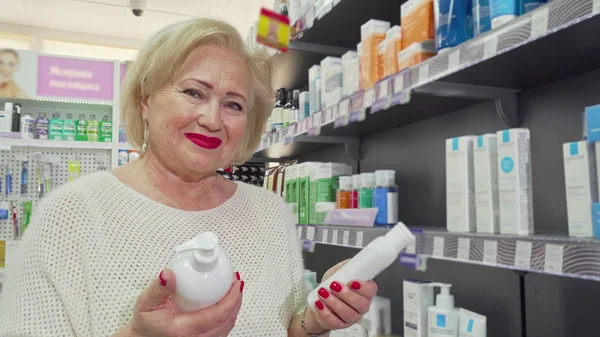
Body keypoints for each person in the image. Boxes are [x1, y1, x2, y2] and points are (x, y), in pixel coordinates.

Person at [0, 18, 378, 337]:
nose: (213, 119)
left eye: (233, 104)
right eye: (194, 92)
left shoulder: (269, 211)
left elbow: (284, 326)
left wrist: (315, 320)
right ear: (146, 99)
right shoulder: (69, 215)